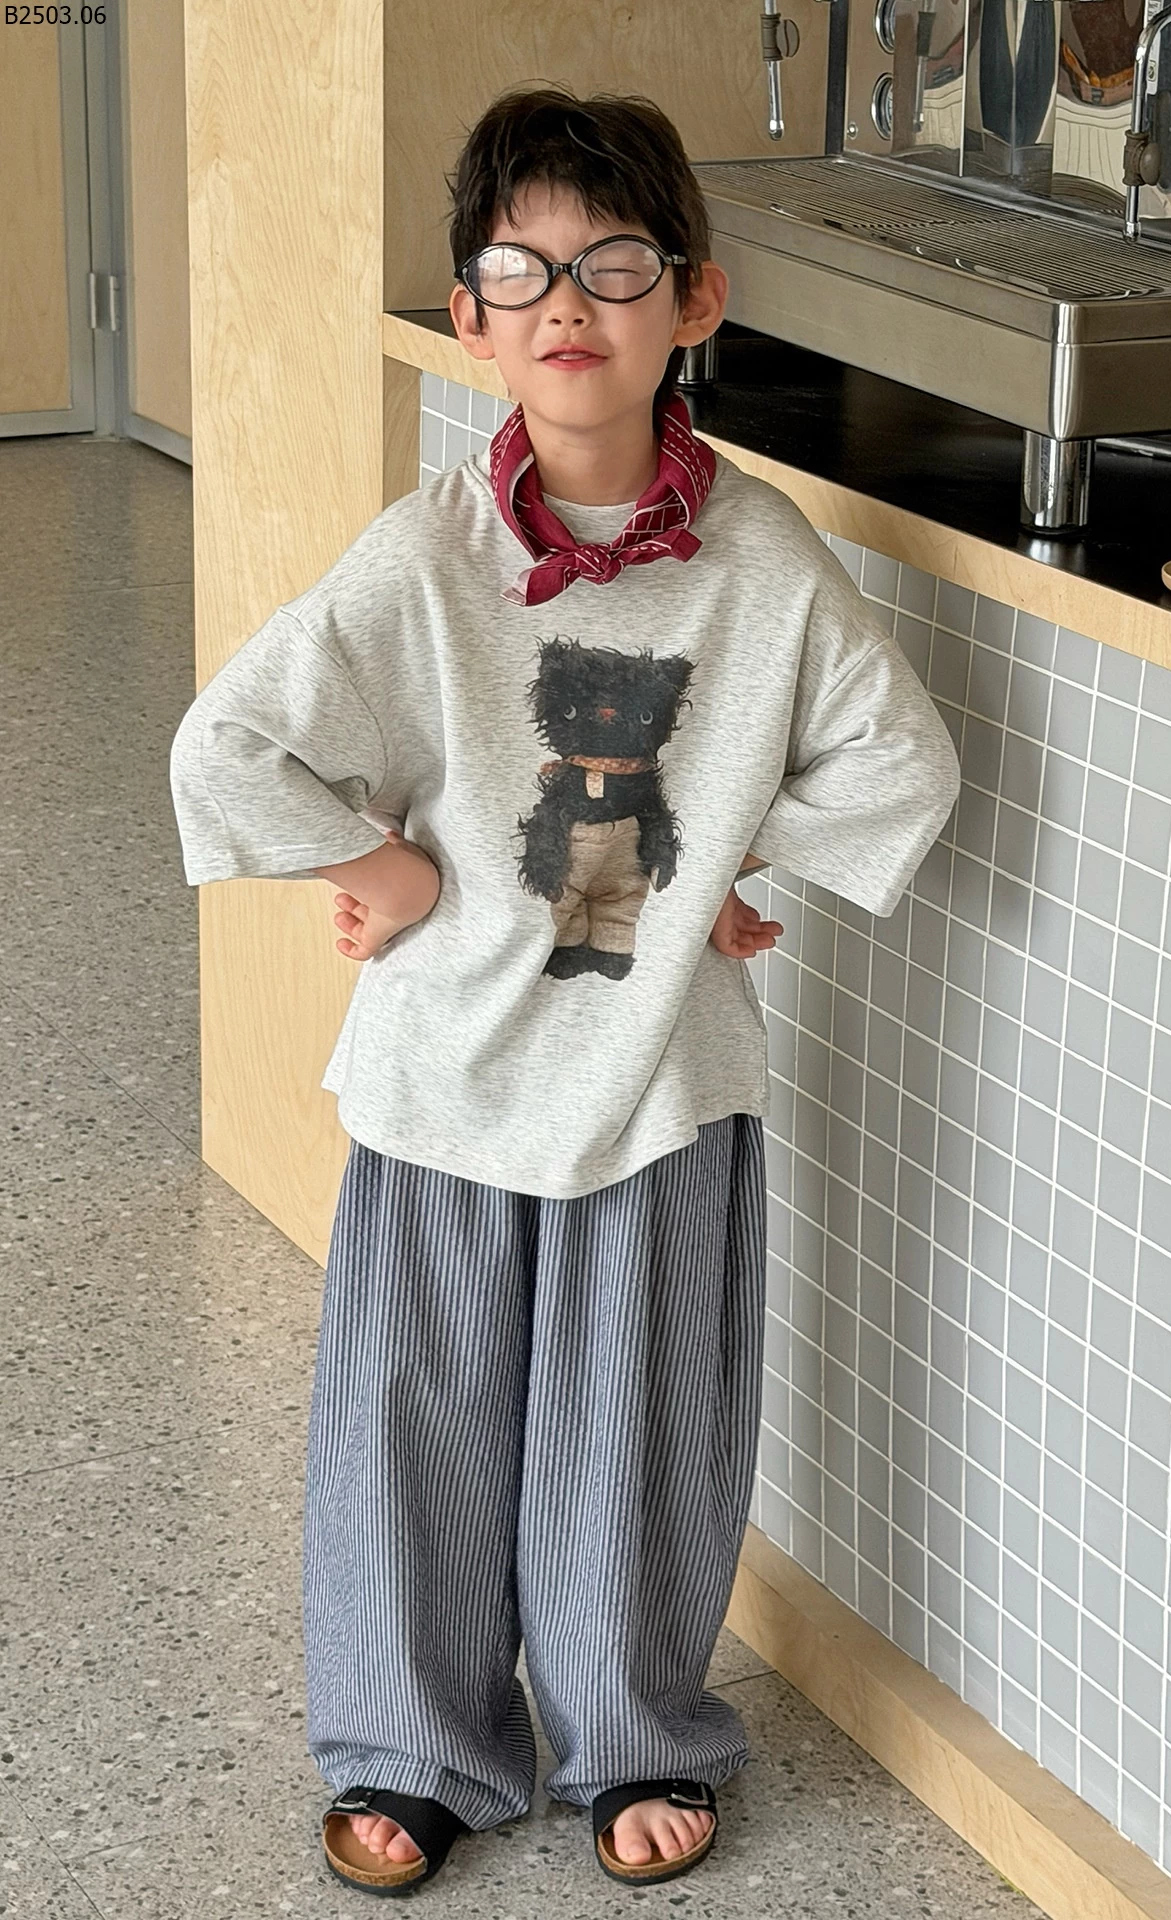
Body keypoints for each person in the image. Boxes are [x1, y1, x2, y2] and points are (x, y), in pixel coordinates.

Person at [168, 84, 961, 1898]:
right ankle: (412, 1746)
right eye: (518, 271)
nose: (566, 305)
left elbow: (897, 764)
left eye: (615, 263)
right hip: (446, 1071)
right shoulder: (427, 555)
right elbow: (232, 749)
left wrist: (735, 867)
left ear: (696, 300)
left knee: (638, 1436)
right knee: (416, 1426)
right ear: (469, 318)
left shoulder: (764, 560)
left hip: (659, 1080)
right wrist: (383, 870)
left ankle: (633, 1737)